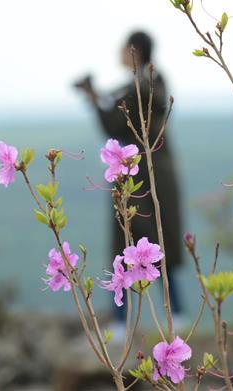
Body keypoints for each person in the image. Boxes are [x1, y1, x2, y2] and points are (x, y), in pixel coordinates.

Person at [74, 31, 184, 336]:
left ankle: (169, 318)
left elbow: (116, 123)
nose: (118, 54)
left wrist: (98, 101)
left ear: (134, 51)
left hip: (147, 177)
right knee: (136, 250)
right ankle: (130, 321)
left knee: (151, 249)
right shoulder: (143, 84)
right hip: (137, 176)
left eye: (123, 49)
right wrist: (97, 98)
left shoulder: (149, 85)